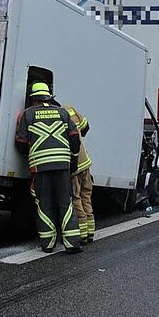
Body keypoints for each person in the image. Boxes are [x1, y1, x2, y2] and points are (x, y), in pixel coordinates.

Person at [15, 82, 83, 254]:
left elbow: (21, 143)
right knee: (65, 203)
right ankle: (72, 243)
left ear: (33, 99)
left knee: (44, 204)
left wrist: (32, 152)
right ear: (49, 97)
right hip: (62, 165)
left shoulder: (27, 114)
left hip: (40, 167)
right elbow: (74, 137)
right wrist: (73, 159)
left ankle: (48, 244)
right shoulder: (62, 112)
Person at [63, 103, 94, 244]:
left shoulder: (59, 115)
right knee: (86, 196)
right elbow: (86, 126)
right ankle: (90, 232)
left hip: (75, 166)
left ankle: (82, 235)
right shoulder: (70, 109)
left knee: (76, 198)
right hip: (85, 162)